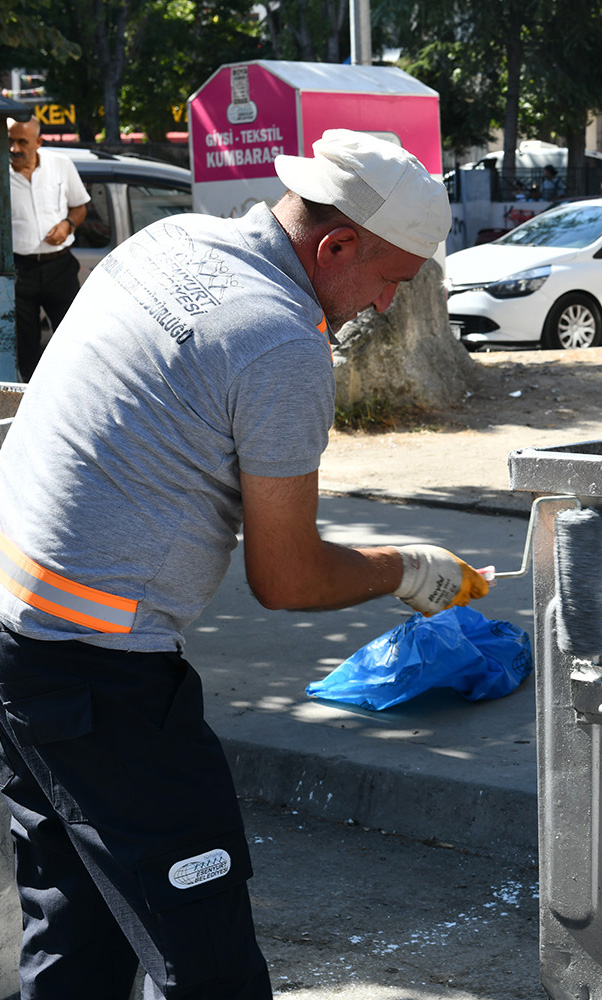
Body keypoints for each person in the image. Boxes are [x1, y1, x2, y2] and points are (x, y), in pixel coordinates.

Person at [0, 129, 490, 1000]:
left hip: (14, 636)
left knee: (75, 923)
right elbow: (288, 577)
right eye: (388, 280)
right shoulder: (278, 344)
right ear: (336, 245)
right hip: (97, 677)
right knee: (205, 950)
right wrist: (409, 570)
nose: (382, 306)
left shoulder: (172, 241)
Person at [7, 116, 91, 380]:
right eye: (9, 141)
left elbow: (80, 207)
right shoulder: (1, 173)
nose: (14, 149)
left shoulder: (60, 165)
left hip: (60, 266)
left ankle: (77, 389)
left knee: (75, 338)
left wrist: (67, 224)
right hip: (19, 270)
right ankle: (34, 399)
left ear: (38, 142)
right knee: (26, 347)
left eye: (22, 142)